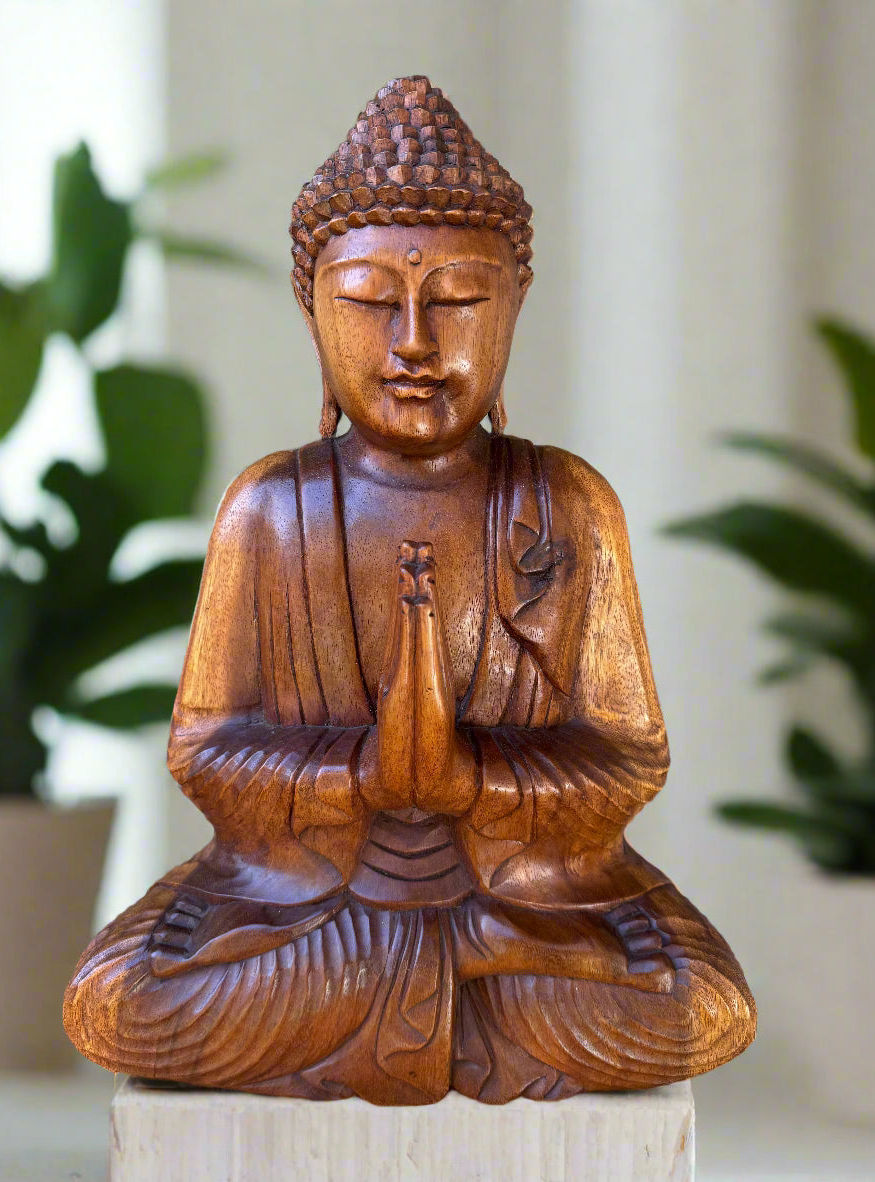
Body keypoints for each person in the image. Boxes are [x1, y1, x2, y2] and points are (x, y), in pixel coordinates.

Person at [64, 76, 755, 1104]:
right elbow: (202, 749)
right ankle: (448, 983)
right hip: (298, 900)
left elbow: (627, 753)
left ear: (512, 307)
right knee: (115, 1004)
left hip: (532, 899)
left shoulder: (565, 503)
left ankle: (420, 982)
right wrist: (359, 772)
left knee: (699, 1011)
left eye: (459, 301)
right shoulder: (270, 508)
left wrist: (472, 783)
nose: (415, 343)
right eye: (368, 303)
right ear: (312, 311)